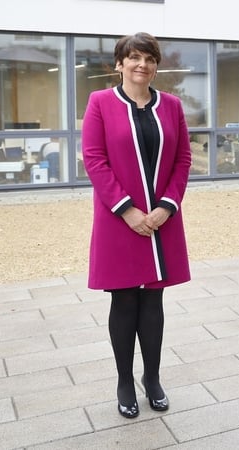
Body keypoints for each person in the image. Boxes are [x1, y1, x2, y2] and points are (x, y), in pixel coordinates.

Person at [82, 32, 191, 419]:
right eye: (133, 58)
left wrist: (166, 206)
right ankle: (125, 381)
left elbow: (183, 160)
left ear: (156, 65)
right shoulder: (100, 103)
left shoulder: (172, 106)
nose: (141, 64)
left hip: (162, 221)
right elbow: (94, 160)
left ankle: (153, 378)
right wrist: (127, 210)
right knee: (124, 299)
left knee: (153, 300)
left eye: (148, 58)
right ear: (119, 64)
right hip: (119, 220)